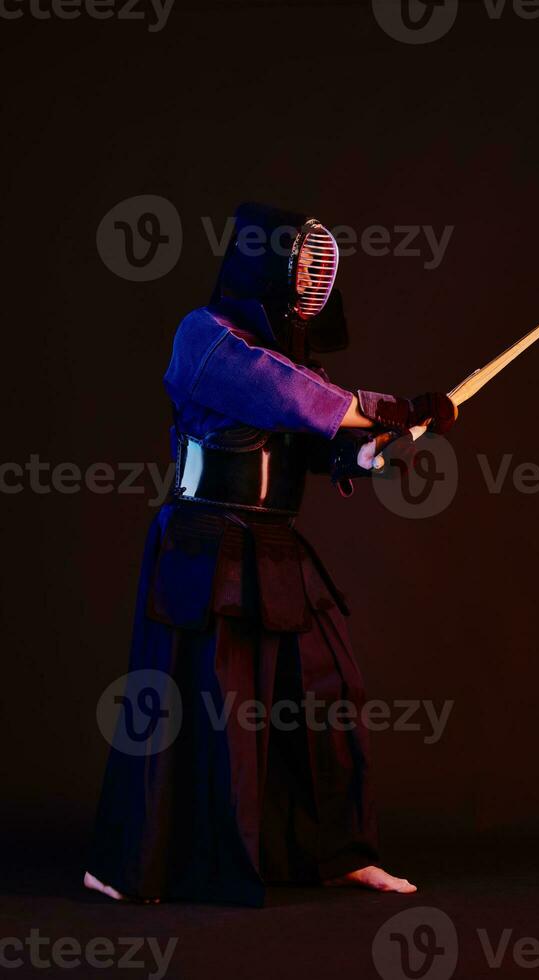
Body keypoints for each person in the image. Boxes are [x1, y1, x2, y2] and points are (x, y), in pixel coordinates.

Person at [84, 202, 457, 906]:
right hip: (204, 546)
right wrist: (394, 406)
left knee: (327, 694)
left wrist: (369, 450)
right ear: (263, 265)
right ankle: (128, 864)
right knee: (212, 712)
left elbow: (310, 432)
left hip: (275, 546)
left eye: (320, 269)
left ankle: (336, 851)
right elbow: (288, 396)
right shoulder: (208, 339)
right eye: (301, 266)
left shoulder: (293, 364)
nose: (311, 282)